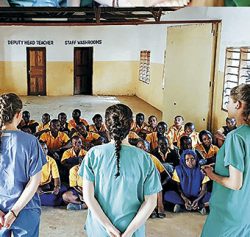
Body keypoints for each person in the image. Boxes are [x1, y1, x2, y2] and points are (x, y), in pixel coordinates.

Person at [79, 104, 162, 237]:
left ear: (106, 125)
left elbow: (88, 197)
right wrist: (129, 232)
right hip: (133, 231)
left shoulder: (93, 154)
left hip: (99, 229)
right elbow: (151, 202)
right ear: (132, 124)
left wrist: (108, 226)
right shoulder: (145, 159)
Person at [201, 84, 250, 236]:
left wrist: (211, 174)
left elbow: (235, 183)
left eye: (228, 101)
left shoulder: (236, 137)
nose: (227, 105)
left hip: (230, 211)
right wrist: (221, 166)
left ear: (238, 104)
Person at [0, 93, 46, 237]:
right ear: (19, 115)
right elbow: (34, 182)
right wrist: (14, 212)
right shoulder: (31, 141)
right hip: (26, 208)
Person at [164, 149, 210, 215]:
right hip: (183, 196)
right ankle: (198, 207)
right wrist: (185, 199)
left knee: (211, 196)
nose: (190, 162)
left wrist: (197, 200)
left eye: (192, 159)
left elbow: (203, 189)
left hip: (198, 196)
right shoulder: (178, 170)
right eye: (187, 160)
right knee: (167, 195)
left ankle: (186, 206)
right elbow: (178, 188)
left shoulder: (202, 170)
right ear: (184, 160)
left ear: (196, 159)